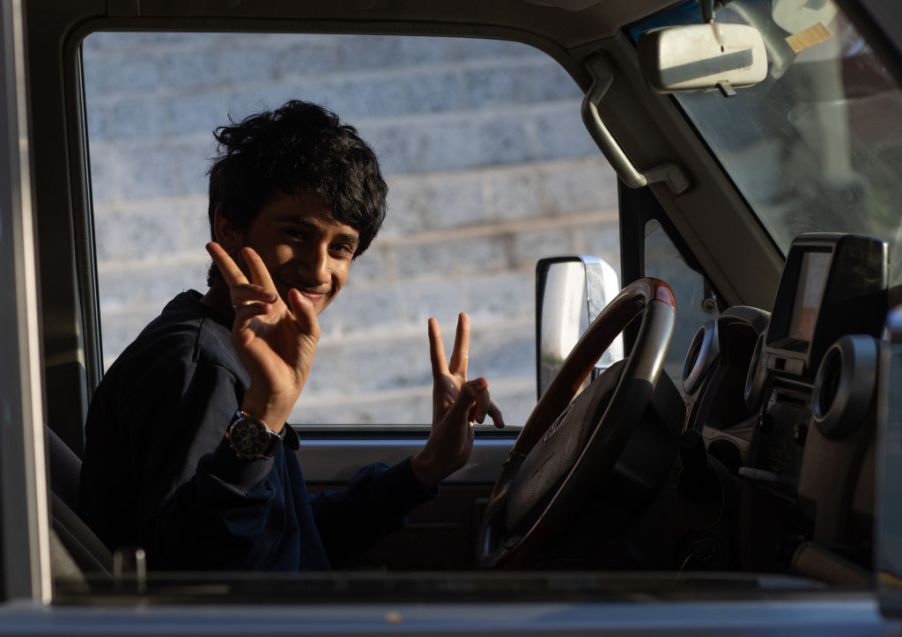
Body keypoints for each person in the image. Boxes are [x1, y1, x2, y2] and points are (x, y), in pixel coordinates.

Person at [78, 100, 504, 572]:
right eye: (297, 235)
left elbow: (287, 541)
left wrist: (427, 469)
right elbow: (193, 570)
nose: (319, 270)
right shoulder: (199, 364)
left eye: (341, 247)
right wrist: (264, 413)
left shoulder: (222, 346)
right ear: (229, 228)